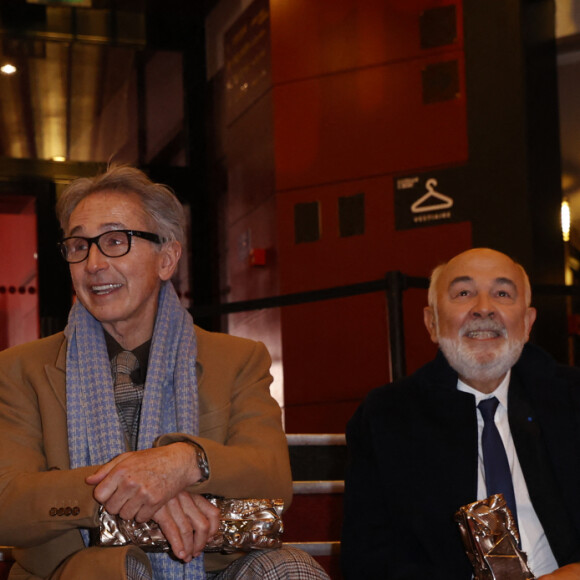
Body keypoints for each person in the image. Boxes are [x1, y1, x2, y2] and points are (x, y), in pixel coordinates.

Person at [0, 166, 329, 580]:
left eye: (116, 241)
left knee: (292, 570)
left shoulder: (238, 358)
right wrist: (125, 490)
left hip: (208, 567)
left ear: (167, 258)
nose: (94, 263)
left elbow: (272, 477)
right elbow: (6, 501)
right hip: (80, 571)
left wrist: (184, 462)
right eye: (79, 245)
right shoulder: (20, 369)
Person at [341, 247, 580, 579]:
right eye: (464, 293)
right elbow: (368, 560)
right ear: (432, 323)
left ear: (527, 324)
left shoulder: (572, 399)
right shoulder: (387, 417)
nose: (483, 308)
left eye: (502, 293)